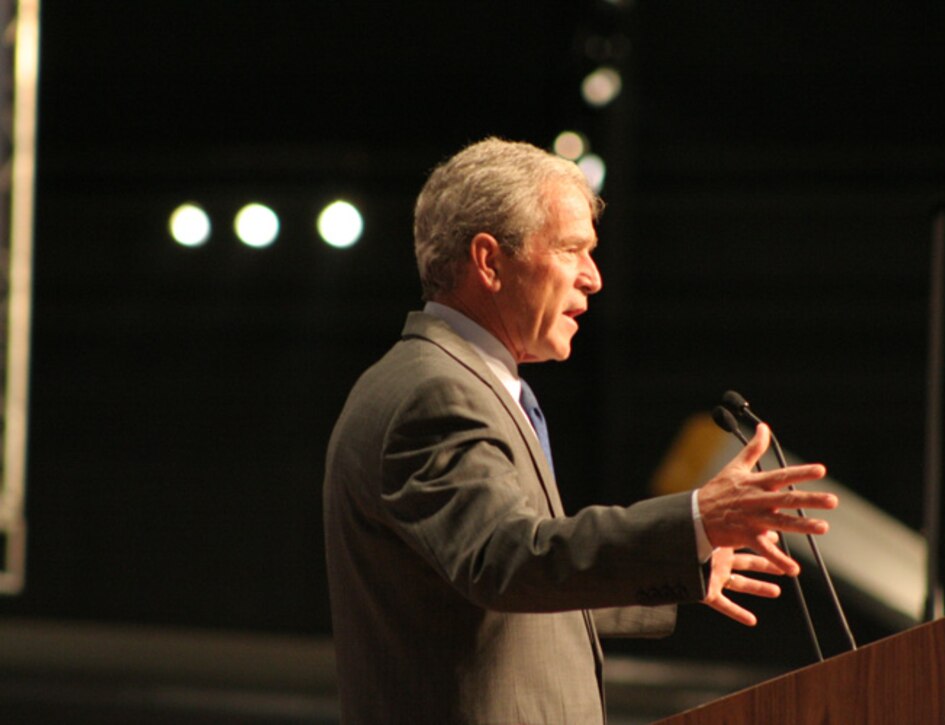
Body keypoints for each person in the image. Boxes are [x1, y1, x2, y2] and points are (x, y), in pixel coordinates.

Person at [323, 137, 837, 724]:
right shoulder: (433, 394)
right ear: (489, 262)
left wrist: (685, 560)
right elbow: (507, 561)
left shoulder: (462, 383)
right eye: (572, 250)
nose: (593, 278)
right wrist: (692, 520)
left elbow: (494, 590)